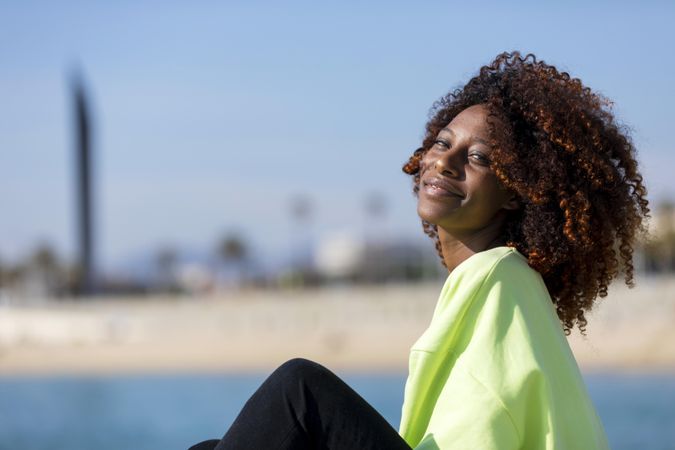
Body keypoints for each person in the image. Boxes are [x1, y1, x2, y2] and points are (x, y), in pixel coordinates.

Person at [189, 51, 649, 449]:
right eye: (443, 143)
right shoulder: (505, 282)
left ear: (515, 192)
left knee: (298, 392)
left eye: (478, 157)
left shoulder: (499, 280)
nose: (444, 161)